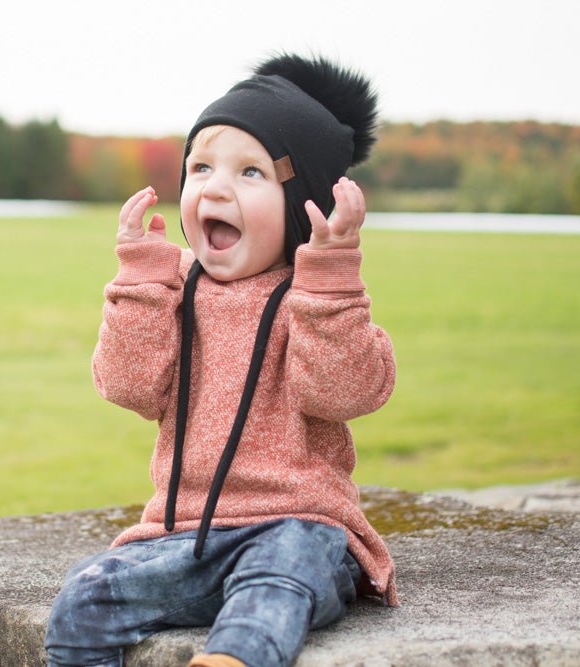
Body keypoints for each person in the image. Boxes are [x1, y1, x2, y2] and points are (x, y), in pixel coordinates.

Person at [45, 52, 397, 667]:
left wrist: (331, 276)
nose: (214, 186)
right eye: (200, 166)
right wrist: (139, 282)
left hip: (298, 532)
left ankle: (232, 660)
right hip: (185, 538)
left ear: (304, 202)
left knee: (274, 585)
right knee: (83, 599)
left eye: (251, 172)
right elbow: (127, 385)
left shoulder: (312, 297)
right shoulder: (173, 290)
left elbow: (344, 393)